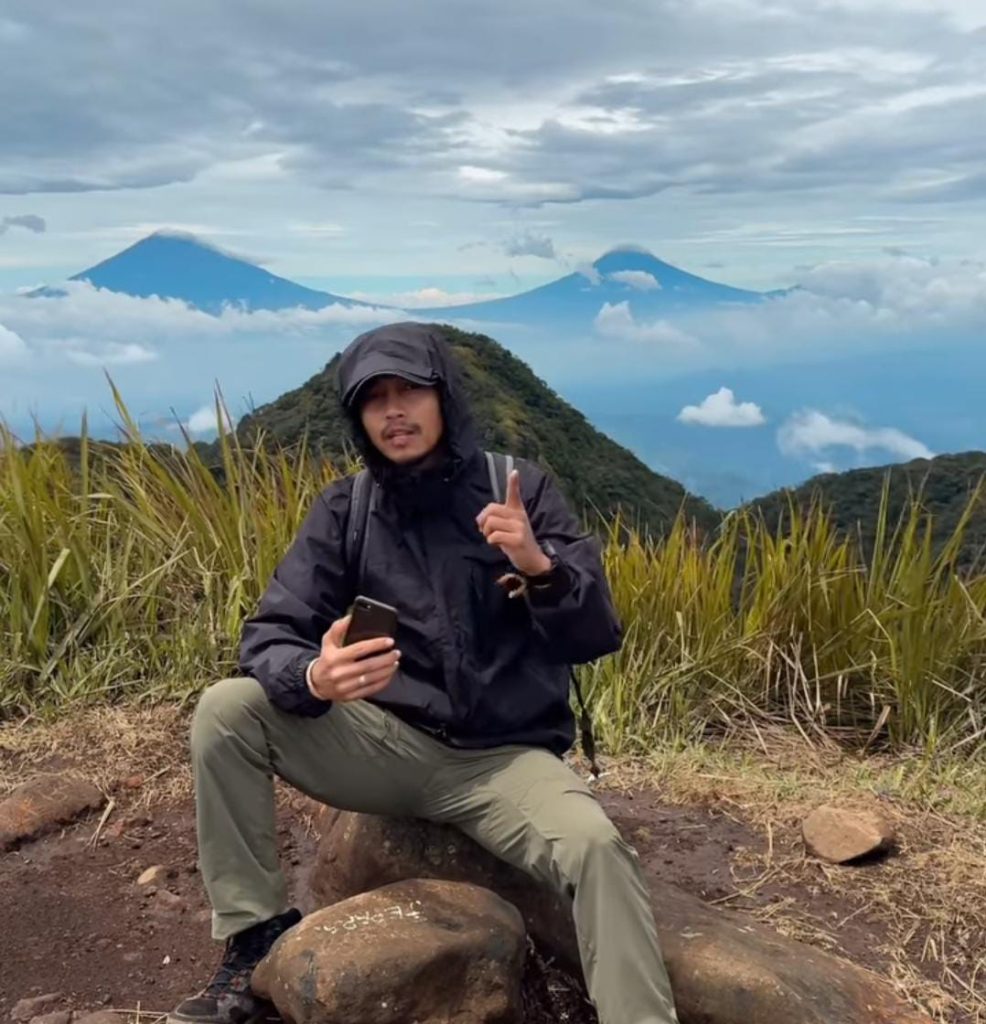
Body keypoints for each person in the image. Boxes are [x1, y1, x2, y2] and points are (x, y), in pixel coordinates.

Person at [169, 322, 679, 1024]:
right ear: (358, 417)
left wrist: (541, 568)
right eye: (374, 399)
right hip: (384, 743)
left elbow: (596, 637)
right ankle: (254, 941)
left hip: (504, 761)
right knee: (227, 710)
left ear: (446, 398)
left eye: (410, 390)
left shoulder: (518, 490)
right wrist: (315, 675)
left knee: (595, 848)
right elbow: (270, 636)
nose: (393, 410)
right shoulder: (348, 510)